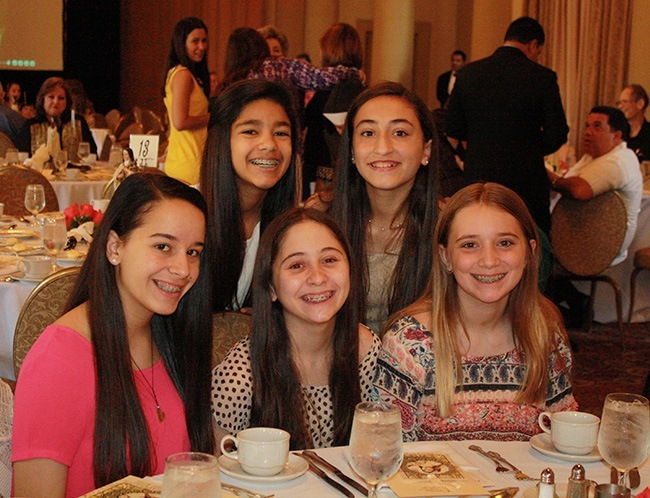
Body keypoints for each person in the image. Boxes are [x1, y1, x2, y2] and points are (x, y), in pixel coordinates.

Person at [12, 173, 215, 497]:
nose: (183, 269)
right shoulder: (59, 360)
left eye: (193, 252)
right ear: (115, 247)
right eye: (163, 246)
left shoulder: (173, 338)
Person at [374, 182, 578, 442]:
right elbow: (387, 452)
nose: (489, 260)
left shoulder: (544, 335)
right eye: (470, 245)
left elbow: (564, 440)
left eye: (505, 243)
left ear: (529, 254)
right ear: (446, 257)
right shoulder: (411, 344)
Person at [211, 207, 380, 449]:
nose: (318, 277)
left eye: (329, 260)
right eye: (297, 266)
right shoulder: (240, 377)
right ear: (270, 287)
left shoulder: (367, 351)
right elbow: (216, 473)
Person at [320, 81, 438, 334]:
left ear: (426, 149)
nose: (383, 148)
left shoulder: (448, 229)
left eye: (400, 133)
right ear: (351, 150)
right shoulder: (322, 224)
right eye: (368, 133)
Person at [446, 17, 569, 234]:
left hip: (479, 176)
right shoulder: (542, 78)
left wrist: (477, 148)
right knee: (530, 242)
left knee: (478, 237)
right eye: (538, 51)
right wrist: (528, 147)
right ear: (533, 45)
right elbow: (557, 133)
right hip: (526, 181)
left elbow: (453, 127)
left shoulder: (468, 74)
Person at [201, 79, 299, 312]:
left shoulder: (289, 228)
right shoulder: (187, 216)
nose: (269, 144)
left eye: (281, 133)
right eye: (250, 131)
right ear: (223, 140)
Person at [550, 106, 642, 266]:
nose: (588, 132)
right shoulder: (592, 158)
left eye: (597, 126)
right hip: (581, 235)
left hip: (599, 247)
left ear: (617, 135)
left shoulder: (619, 161)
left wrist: (545, 174)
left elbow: (578, 190)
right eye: (587, 125)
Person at [215, 27, 360, 122]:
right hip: (285, 136)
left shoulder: (229, 83)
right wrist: (353, 72)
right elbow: (323, 78)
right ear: (260, 45)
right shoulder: (283, 65)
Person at [303, 22, 365, 197]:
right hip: (359, 176)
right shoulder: (364, 92)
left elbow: (311, 135)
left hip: (324, 179)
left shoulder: (324, 95)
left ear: (327, 50)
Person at [162, 17, 210, 186]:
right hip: (190, 163)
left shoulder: (183, 74)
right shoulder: (182, 75)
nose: (202, 47)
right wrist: (214, 116)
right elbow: (180, 122)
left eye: (204, 41)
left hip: (186, 159)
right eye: (195, 41)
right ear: (181, 44)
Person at [16, 77, 97, 156]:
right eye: (51, 97)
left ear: (67, 102)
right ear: (42, 100)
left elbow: (93, 155)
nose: (55, 102)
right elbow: (21, 160)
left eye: (61, 98)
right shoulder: (30, 125)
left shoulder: (78, 123)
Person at [618, 84, 650, 163]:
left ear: (640, 104)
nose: (620, 106)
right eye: (619, 103)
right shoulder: (617, 133)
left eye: (624, 102)